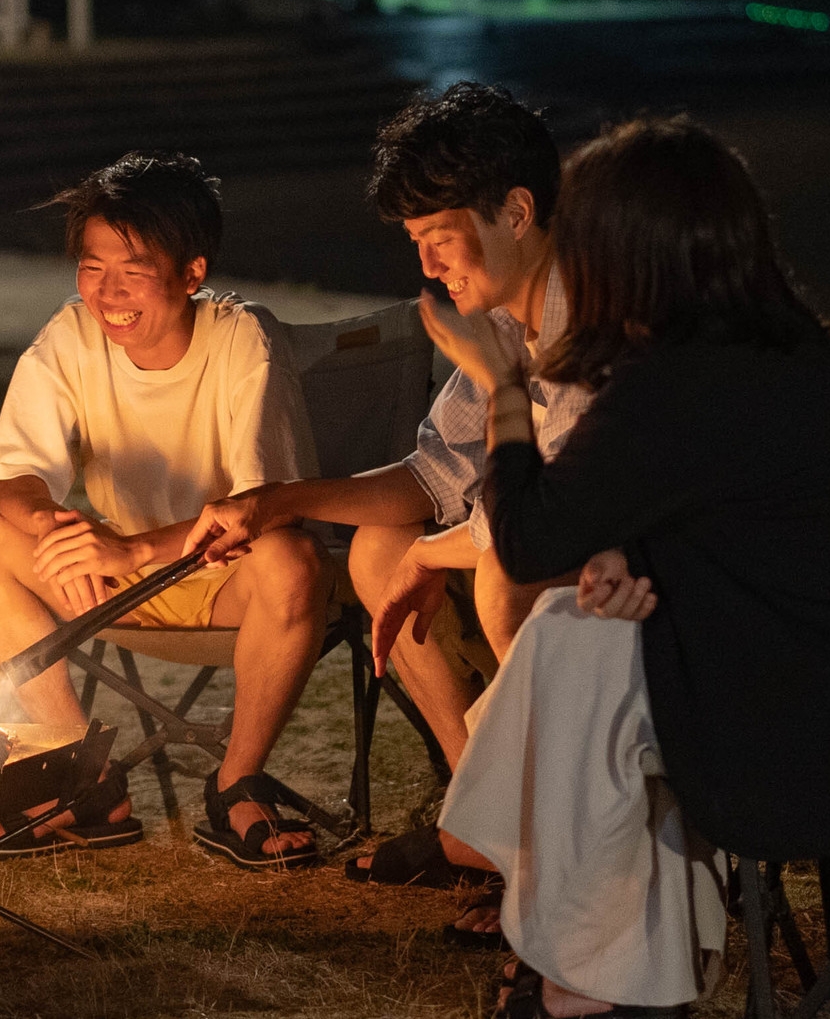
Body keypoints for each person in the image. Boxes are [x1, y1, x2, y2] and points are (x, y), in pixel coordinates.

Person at [401, 116, 830, 1018]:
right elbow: (730, 516)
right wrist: (635, 555)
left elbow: (532, 538)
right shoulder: (784, 350)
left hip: (789, 726)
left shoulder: (679, 379)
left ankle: (579, 977)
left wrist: (501, 386)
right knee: (583, 633)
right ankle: (600, 967)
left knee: (577, 647)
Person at [185, 83, 591, 939]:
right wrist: (277, 501)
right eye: (418, 244)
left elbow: (563, 512)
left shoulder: (585, 319)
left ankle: (531, 851)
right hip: (545, 548)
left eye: (439, 239)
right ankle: (479, 810)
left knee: (500, 581)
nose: (429, 268)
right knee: (380, 543)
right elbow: (433, 473)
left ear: (515, 211)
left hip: (612, 579)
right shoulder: (504, 324)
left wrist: (435, 556)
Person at [0, 151, 330, 870]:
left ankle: (235, 782)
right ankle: (83, 776)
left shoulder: (244, 338)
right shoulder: (72, 335)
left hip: (228, 578)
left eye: (133, 268)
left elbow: (262, 507)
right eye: (92, 266)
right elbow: (16, 474)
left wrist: (132, 550)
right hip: (118, 582)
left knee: (291, 558)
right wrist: (55, 527)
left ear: (191, 273)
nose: (107, 291)